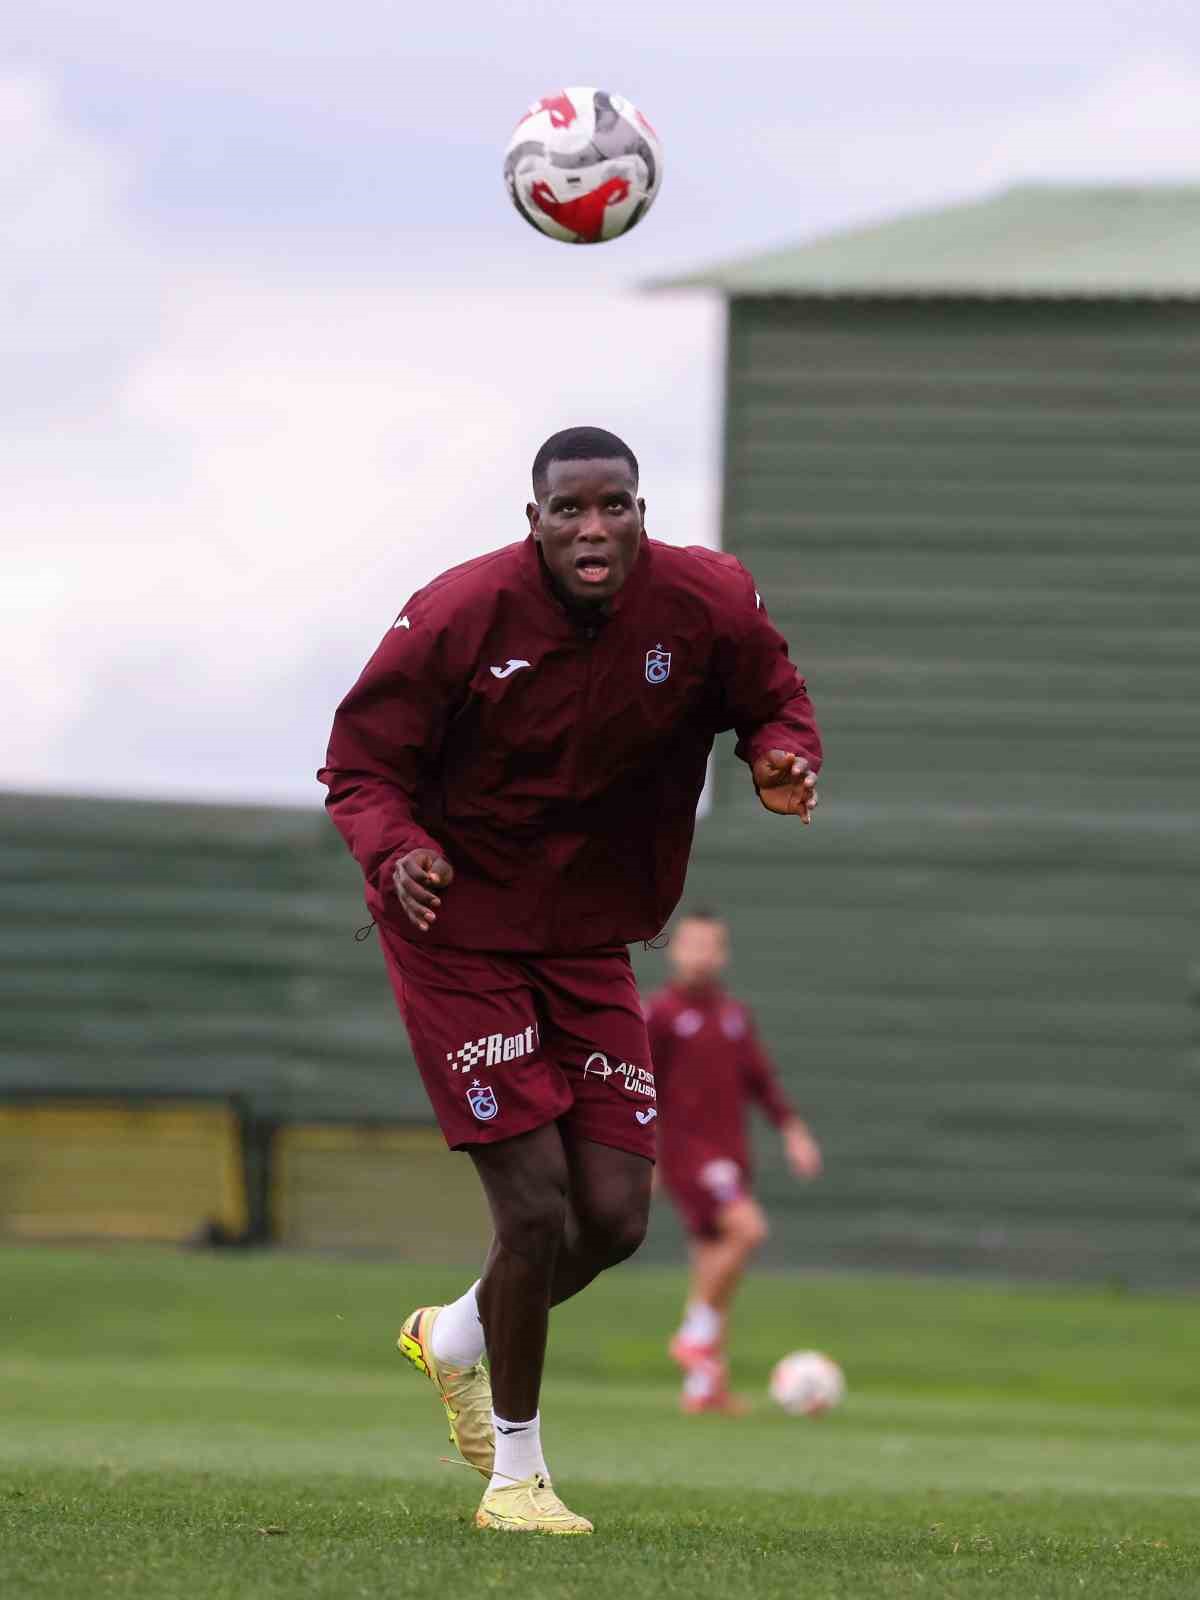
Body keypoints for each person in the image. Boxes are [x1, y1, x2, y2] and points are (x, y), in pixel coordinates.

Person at [318, 425, 822, 1535]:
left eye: (616, 507)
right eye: (570, 511)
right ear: (532, 519)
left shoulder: (706, 601)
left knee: (614, 1218)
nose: (594, 529)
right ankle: (516, 1476)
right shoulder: (458, 612)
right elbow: (360, 764)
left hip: (587, 932)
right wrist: (397, 852)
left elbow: (773, 696)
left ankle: (451, 1335)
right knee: (537, 1206)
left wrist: (784, 754)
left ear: (642, 511)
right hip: (455, 929)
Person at [646, 910, 823, 1414]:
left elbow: (761, 1081)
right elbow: (637, 1085)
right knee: (747, 1231)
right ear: (676, 950)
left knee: (712, 1268)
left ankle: (704, 1389)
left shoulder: (733, 1014)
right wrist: (647, 1154)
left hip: (731, 1155)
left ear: (722, 954)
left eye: (711, 946)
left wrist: (793, 1131)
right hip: (689, 1154)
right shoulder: (658, 1014)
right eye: (692, 944)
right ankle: (694, 1337)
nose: (701, 955)